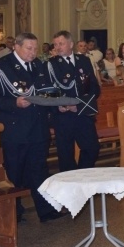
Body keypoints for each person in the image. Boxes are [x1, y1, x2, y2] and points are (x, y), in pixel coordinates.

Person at [0, 32, 67, 223]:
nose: (33, 52)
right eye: (29, 48)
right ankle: (14, 213)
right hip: (15, 129)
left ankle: (46, 210)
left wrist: (59, 103)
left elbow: (47, 91)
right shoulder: (2, 67)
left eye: (35, 48)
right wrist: (14, 103)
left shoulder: (38, 65)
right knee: (15, 171)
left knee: (39, 170)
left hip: (38, 128)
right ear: (17, 47)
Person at [47, 30, 101, 172]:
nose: (58, 47)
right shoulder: (50, 64)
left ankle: (81, 176)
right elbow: (47, 89)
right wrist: (61, 104)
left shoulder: (83, 60)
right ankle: (70, 187)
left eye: (61, 43)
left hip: (82, 113)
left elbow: (94, 88)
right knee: (65, 156)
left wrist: (79, 104)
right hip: (63, 117)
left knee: (92, 148)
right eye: (55, 44)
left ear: (70, 44)